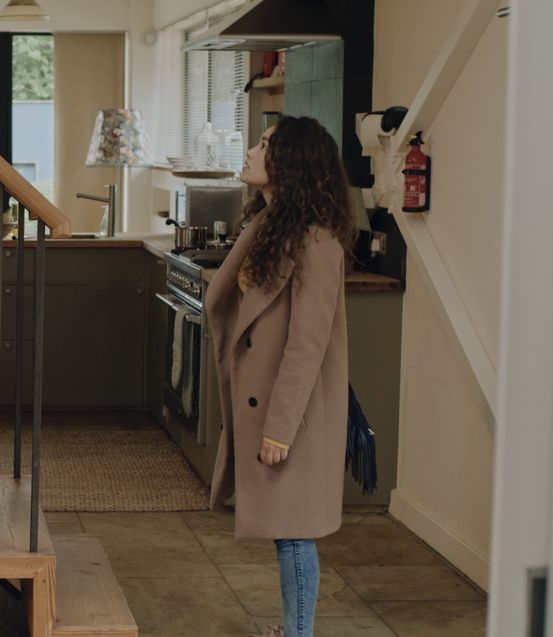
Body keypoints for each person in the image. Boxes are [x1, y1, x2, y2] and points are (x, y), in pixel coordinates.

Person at [204, 116, 355, 637]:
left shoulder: (318, 241)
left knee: (294, 532)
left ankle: (298, 634)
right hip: (266, 402)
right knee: (286, 529)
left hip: (292, 412)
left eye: (265, 145)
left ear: (292, 162)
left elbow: (308, 344)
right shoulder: (270, 224)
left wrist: (280, 429)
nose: (251, 150)